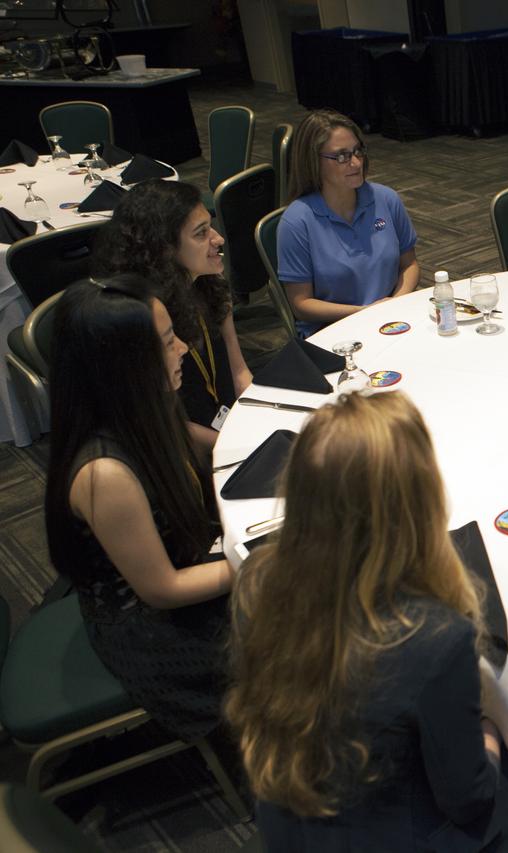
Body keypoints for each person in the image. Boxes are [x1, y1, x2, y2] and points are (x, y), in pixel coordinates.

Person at [225, 392, 508, 851]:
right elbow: (469, 797)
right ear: (415, 503)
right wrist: (493, 731)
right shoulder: (432, 638)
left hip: (294, 822)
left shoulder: (257, 581)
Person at [44, 276, 233, 743]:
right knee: (309, 616)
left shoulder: (139, 404)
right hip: (151, 630)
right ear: (126, 364)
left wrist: (258, 441)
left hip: (182, 563)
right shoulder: (104, 476)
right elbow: (163, 590)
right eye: (169, 341)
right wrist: (258, 558)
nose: (184, 348)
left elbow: (200, 440)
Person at [95, 179, 252, 455]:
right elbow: (165, 424)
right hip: (181, 453)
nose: (218, 239)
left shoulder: (210, 283)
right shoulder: (146, 314)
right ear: (165, 247)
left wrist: (258, 421)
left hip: (231, 426)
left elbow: (238, 371)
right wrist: (238, 447)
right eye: (201, 234)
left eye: (210, 226)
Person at [277, 109, 420, 336]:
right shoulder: (296, 222)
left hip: (391, 320)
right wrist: (363, 312)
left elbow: (409, 265)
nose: (355, 163)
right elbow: (301, 304)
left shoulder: (386, 199)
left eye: (358, 151)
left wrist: (395, 304)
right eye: (341, 156)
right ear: (313, 161)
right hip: (335, 333)